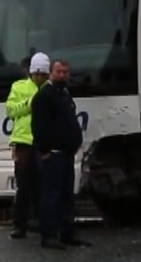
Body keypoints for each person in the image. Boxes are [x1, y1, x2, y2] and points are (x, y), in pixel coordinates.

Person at [31, 59, 90, 249]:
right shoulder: (44, 96)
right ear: (50, 73)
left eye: (65, 72)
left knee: (66, 196)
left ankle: (67, 233)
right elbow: (39, 126)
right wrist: (44, 150)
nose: (62, 75)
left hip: (66, 154)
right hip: (53, 155)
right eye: (58, 72)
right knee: (51, 196)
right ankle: (48, 235)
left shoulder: (64, 94)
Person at [6, 52, 50, 239]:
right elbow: (10, 110)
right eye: (36, 74)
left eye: (43, 74)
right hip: (24, 143)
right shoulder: (18, 87)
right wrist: (30, 103)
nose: (39, 77)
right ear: (31, 72)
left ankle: (43, 223)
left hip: (44, 142)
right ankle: (19, 225)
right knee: (23, 186)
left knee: (43, 186)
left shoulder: (51, 89)